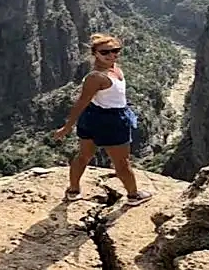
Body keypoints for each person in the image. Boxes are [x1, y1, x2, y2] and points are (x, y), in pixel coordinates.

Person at [52, 33, 153, 206]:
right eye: (105, 52)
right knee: (121, 162)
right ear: (95, 54)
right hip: (111, 121)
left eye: (115, 50)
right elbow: (81, 102)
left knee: (84, 155)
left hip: (95, 117)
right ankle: (133, 196)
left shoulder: (114, 68)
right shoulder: (96, 77)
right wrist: (67, 127)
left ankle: (73, 191)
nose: (112, 55)